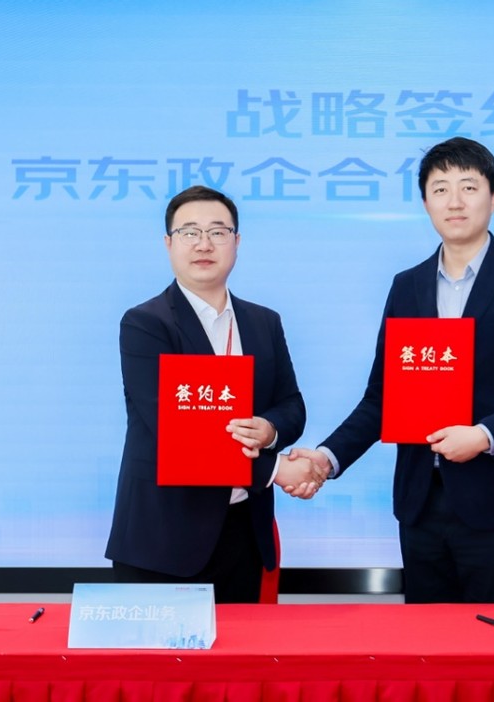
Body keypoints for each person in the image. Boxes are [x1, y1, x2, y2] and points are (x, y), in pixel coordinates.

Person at [290, 137, 494, 603]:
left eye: (469, 187)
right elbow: (383, 398)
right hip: (421, 507)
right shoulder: (407, 287)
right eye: (440, 189)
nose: (455, 201)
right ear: (426, 203)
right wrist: (327, 458)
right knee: (430, 643)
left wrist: (483, 435)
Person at [105, 185, 326, 602]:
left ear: (237, 241)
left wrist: (269, 429)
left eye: (218, 232)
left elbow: (291, 405)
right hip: (164, 538)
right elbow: (176, 430)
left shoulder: (264, 322)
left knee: (243, 647)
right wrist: (276, 470)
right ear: (168, 243)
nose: (204, 244)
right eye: (189, 232)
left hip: (243, 532)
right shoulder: (146, 324)